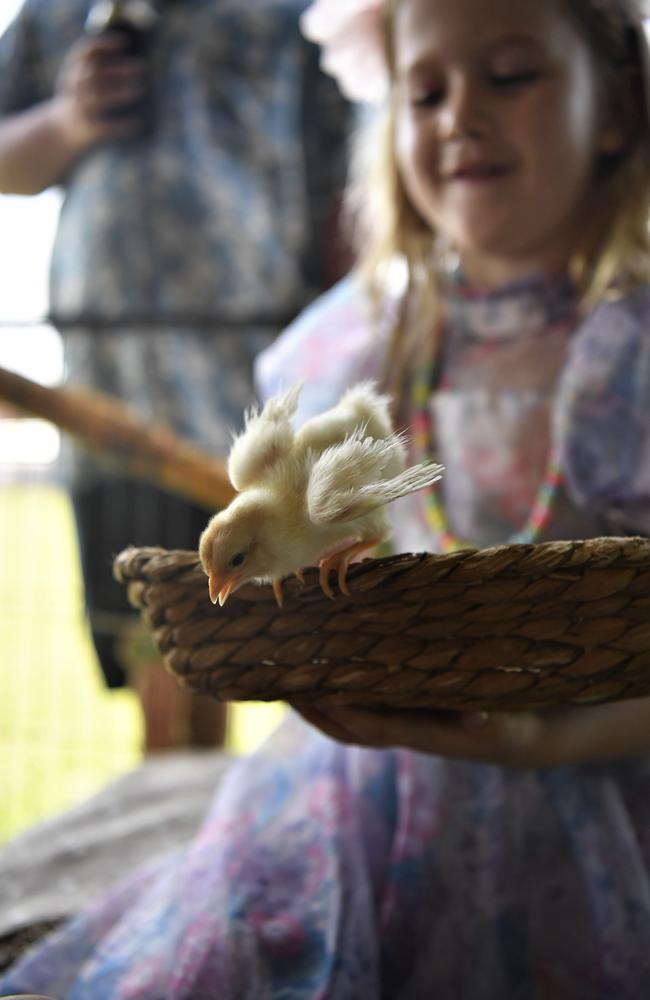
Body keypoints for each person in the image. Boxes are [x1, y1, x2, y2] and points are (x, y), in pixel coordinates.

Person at [1, 0, 650, 995]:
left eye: (510, 75)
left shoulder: (632, 356)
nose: (457, 114)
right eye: (421, 90)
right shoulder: (361, 348)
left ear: (611, 109)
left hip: (592, 774)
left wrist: (546, 734)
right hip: (363, 784)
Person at [0, 0, 352, 751]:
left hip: (255, 382)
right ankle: (183, 816)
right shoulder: (57, 14)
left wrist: (342, 354)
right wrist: (67, 121)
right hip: (108, 379)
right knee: (154, 636)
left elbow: (349, 190)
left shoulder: (296, 14)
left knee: (270, 636)